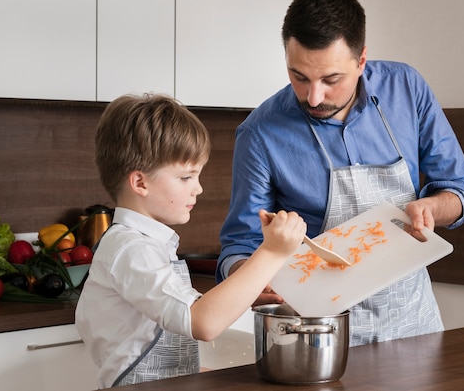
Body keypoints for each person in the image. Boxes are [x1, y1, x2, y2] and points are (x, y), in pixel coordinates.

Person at [217, 0, 464, 346]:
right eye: (299, 76)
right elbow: (239, 244)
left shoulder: (406, 88)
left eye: (331, 80)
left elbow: (462, 190)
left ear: (361, 61)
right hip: (318, 337)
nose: (313, 97)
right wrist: (248, 279)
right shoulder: (260, 133)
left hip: (414, 324)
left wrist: (433, 208)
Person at [75, 93, 306, 388]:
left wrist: (246, 291)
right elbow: (203, 322)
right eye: (186, 177)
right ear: (140, 183)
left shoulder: (148, 245)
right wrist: (272, 252)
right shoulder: (131, 250)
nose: (198, 188)